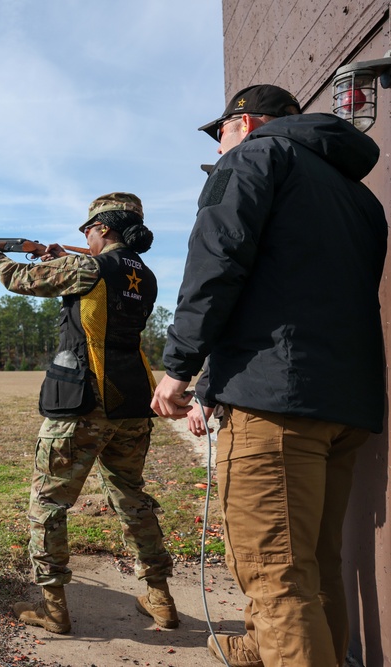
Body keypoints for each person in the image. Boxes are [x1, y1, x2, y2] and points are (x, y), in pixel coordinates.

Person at [151, 84, 387, 667]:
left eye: (221, 130)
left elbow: (216, 266)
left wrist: (179, 367)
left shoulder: (253, 158)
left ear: (246, 122)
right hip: (344, 404)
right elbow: (291, 294)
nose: (219, 142)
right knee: (312, 564)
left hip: (274, 405)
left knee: (275, 577)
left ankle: (273, 645)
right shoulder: (359, 198)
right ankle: (259, 648)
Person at [0, 193, 176, 635]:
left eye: (87, 229)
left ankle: (53, 609)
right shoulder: (146, 273)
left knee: (48, 504)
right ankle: (161, 600)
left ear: (103, 228)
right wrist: (58, 256)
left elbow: (23, 281)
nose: (83, 235)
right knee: (132, 500)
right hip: (133, 400)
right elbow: (96, 292)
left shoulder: (89, 266)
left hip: (84, 400)